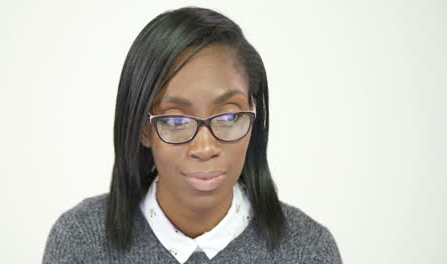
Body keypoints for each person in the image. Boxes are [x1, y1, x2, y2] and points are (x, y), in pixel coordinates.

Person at [42, 6, 342, 264]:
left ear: (254, 114)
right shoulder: (81, 241)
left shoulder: (308, 249)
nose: (205, 147)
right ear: (144, 128)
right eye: (175, 119)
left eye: (229, 116)